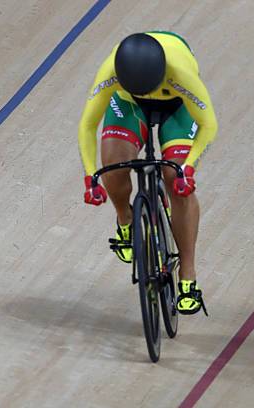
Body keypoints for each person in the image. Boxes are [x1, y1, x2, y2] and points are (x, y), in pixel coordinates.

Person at [77, 32, 218, 315]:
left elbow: (209, 125)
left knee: (173, 176)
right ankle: (125, 219)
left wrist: (187, 169)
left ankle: (188, 276)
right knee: (113, 167)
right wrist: (90, 176)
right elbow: (87, 125)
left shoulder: (181, 72)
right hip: (128, 103)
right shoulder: (111, 70)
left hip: (177, 106)